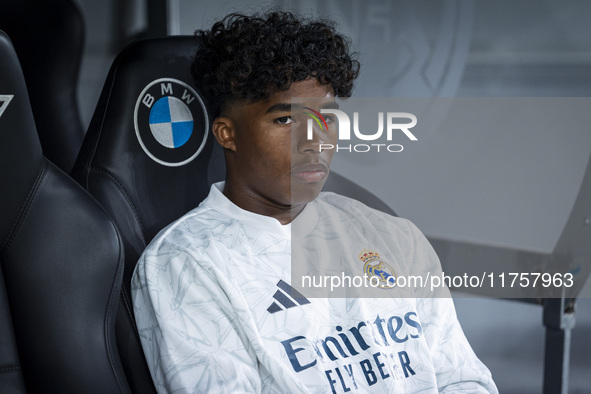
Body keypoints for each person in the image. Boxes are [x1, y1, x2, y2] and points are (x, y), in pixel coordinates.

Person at [132, 11, 498, 393]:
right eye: (286, 121)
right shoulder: (186, 264)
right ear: (228, 134)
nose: (315, 140)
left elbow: (464, 379)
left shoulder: (392, 236)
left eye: (326, 117)